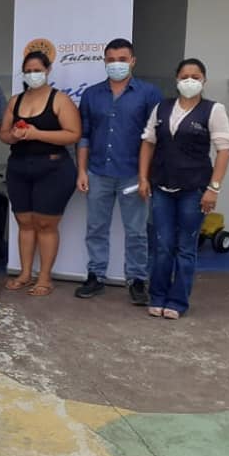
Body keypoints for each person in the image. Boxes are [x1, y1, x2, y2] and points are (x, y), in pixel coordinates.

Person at [138, 58, 229, 319]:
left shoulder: (213, 110)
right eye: (184, 76)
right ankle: (158, 295)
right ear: (176, 79)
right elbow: (148, 142)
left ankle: (177, 301)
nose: (189, 80)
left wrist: (213, 189)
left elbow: (224, 151)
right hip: (162, 187)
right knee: (162, 245)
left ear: (204, 80)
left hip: (194, 190)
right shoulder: (162, 107)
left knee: (185, 247)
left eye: (195, 76)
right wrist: (144, 178)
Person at [75, 38, 162, 304]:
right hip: (98, 171)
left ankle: (137, 280)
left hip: (133, 174)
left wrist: (147, 175)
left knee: (136, 231)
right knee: (96, 228)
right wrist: (82, 171)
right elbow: (84, 136)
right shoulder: (91, 94)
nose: (116, 64)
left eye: (122, 59)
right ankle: (95, 276)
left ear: (133, 61)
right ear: (104, 61)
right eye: (111, 60)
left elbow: (154, 138)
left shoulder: (149, 93)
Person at [0, 51, 81, 297]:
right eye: (28, 71)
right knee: (24, 222)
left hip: (53, 169)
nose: (32, 74)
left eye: (37, 70)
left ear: (47, 70)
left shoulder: (60, 100)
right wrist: (14, 135)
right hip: (19, 168)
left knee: (46, 224)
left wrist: (37, 134)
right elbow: (3, 134)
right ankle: (25, 273)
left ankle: (45, 277)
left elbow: (73, 134)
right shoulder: (16, 101)